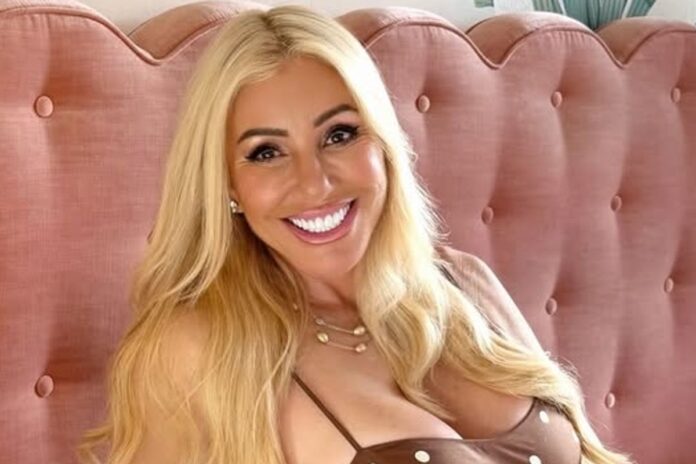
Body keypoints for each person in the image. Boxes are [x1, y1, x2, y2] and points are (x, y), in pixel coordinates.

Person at [78, 5, 633, 464]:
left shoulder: (466, 284)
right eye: (266, 152)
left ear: (384, 145)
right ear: (226, 183)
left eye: (340, 134)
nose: (314, 183)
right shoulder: (195, 349)